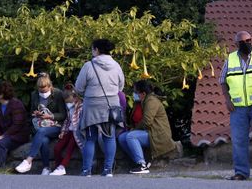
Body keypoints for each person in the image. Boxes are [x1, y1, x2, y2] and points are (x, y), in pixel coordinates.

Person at [219, 31, 252, 181]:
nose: (247, 43)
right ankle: (241, 172)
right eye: (242, 42)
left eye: (249, 40)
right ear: (236, 45)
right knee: (239, 140)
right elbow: (222, 80)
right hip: (238, 107)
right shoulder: (230, 59)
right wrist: (227, 99)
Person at [75, 39, 125, 177]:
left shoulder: (88, 66)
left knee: (90, 138)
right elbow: (120, 87)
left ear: (96, 49)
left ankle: (86, 170)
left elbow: (79, 88)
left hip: (92, 106)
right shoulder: (116, 65)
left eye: (92, 49)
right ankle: (108, 170)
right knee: (109, 137)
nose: (92, 52)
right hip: (111, 105)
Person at [118, 80, 178, 174]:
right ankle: (138, 161)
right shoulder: (143, 101)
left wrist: (134, 129)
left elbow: (147, 122)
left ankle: (142, 165)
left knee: (131, 136)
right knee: (122, 138)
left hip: (158, 135)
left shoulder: (151, 101)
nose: (134, 94)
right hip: (150, 132)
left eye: (136, 92)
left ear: (143, 93)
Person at [15, 73, 66, 175]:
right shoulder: (34, 94)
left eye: (45, 90)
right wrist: (36, 113)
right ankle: (46, 168)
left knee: (41, 131)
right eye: (40, 90)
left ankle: (28, 160)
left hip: (56, 125)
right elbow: (32, 112)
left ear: (50, 86)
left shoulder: (58, 94)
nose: (42, 93)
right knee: (43, 140)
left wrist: (50, 116)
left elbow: (63, 115)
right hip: (41, 124)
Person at [0, 81, 29, 168]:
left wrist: (3, 136)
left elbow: (17, 125)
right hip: (5, 135)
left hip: (18, 136)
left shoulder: (16, 104)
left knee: (1, 143)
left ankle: (0, 168)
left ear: (2, 95)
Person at [50, 84, 84, 175]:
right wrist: (63, 131)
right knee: (57, 148)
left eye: (69, 101)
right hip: (69, 131)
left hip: (77, 132)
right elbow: (67, 121)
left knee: (69, 148)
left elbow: (82, 123)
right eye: (66, 102)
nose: (68, 104)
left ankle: (62, 167)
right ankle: (58, 166)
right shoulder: (69, 108)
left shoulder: (82, 107)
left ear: (75, 97)